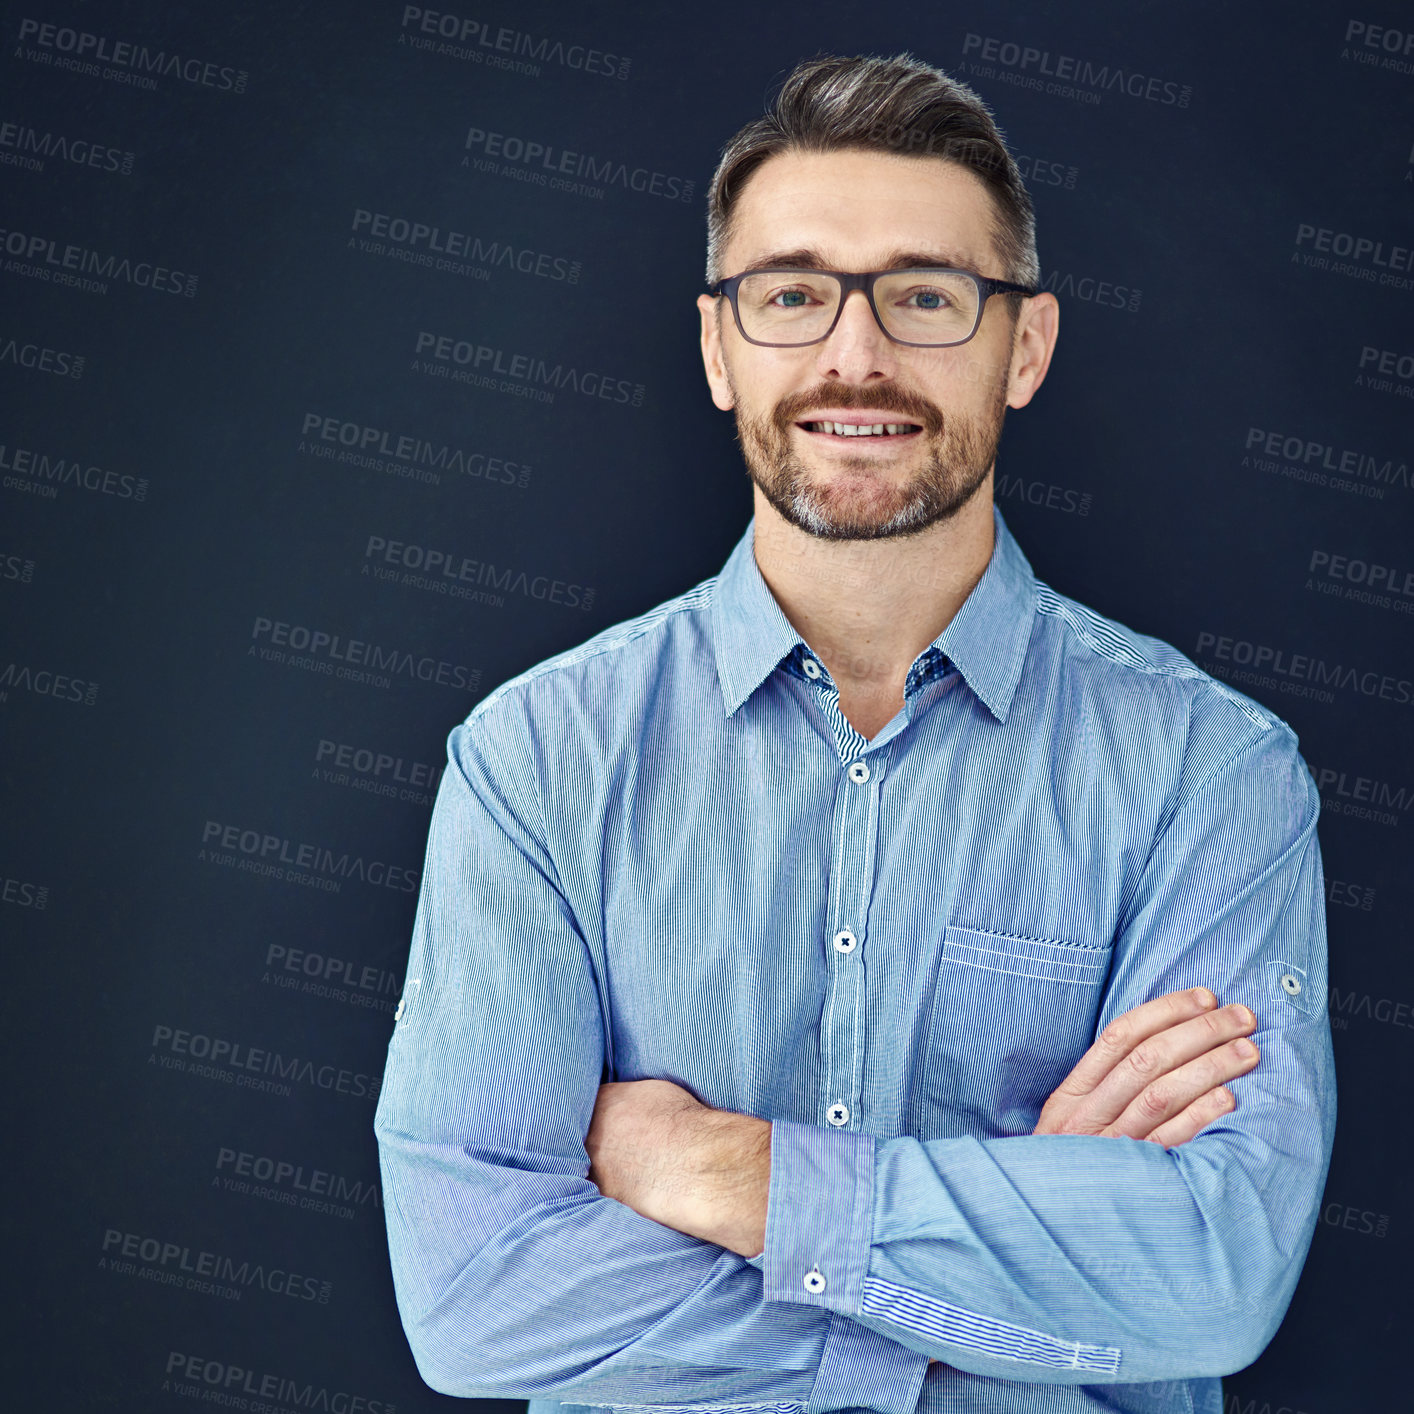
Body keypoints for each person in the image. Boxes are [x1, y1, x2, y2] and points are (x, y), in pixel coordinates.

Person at [373, 51, 1335, 1414]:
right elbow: (473, 1301)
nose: (854, 357)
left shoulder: (1209, 775)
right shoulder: (536, 761)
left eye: (927, 297)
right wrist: (1019, 1252)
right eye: (790, 295)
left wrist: (721, 1175)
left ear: (1028, 345)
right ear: (717, 345)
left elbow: (1211, 1270)